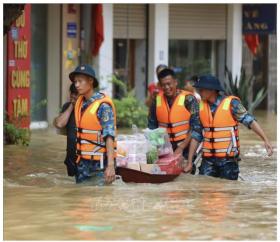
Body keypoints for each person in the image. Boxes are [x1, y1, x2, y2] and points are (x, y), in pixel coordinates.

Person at [184, 74, 273, 180]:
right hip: (208, 160)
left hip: (228, 160)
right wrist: (190, 162)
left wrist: (265, 140)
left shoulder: (232, 104)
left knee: (228, 192)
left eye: (202, 89)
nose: (199, 92)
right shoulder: (200, 107)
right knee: (205, 190)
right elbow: (196, 135)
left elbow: (250, 121)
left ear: (211, 90)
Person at [69, 64, 117, 185]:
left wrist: (110, 166)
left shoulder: (103, 106)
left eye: (80, 81)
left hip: (98, 166)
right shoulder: (80, 103)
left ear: (90, 81)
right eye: (75, 82)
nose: (76, 85)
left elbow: (109, 136)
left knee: (97, 201)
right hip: (82, 164)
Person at [148, 68, 201, 174]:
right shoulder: (156, 101)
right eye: (163, 85)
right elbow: (152, 127)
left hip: (186, 147)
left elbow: (196, 128)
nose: (167, 88)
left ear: (175, 82)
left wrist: (181, 148)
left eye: (169, 84)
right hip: (164, 148)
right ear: (160, 85)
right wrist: (154, 152)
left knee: (184, 178)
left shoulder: (189, 99)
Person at [53, 83, 78, 177]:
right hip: (71, 156)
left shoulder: (89, 107)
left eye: (76, 93)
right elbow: (59, 124)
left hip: (86, 157)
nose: (73, 96)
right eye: (72, 93)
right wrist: (71, 106)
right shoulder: (67, 106)